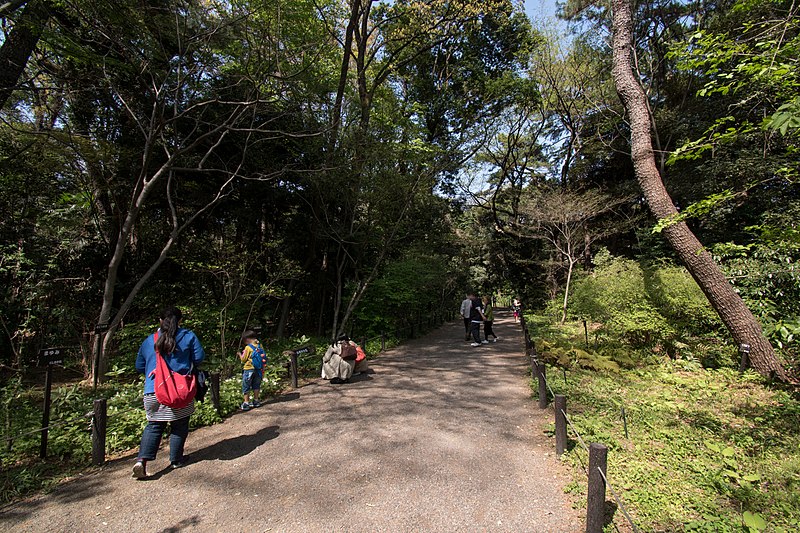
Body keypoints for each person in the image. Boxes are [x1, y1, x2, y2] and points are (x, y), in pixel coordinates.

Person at [133, 306, 205, 479]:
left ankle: (141, 461)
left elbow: (139, 366)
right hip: (180, 390)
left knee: (154, 425)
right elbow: (199, 358)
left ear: (159, 320)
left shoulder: (149, 340)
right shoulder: (188, 336)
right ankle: (176, 459)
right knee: (179, 425)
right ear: (180, 321)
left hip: (153, 390)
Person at [238, 330, 265, 411]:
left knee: (246, 385)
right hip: (259, 369)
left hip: (249, 369)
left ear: (247, 339)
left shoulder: (248, 347)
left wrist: (240, 354)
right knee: (256, 385)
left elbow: (243, 359)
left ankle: (246, 403)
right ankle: (256, 401)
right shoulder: (260, 345)